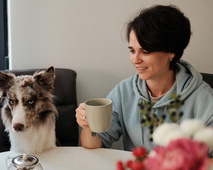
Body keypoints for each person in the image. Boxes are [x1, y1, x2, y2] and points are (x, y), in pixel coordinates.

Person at [75, 5, 213, 152]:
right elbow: (94, 146)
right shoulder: (124, 91)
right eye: (132, 50)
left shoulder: (204, 99)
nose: (135, 60)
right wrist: (89, 126)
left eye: (145, 52)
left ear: (171, 52)